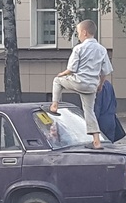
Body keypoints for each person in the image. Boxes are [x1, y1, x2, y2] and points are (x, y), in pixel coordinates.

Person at [48, 19, 113, 150]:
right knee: (89, 112)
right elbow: (105, 71)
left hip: (78, 81)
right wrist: (100, 85)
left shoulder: (79, 48)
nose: (78, 36)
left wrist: (63, 73)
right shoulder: (102, 50)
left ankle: (54, 105)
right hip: (91, 86)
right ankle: (96, 141)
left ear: (84, 32)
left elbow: (71, 68)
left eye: (78, 33)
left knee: (57, 81)